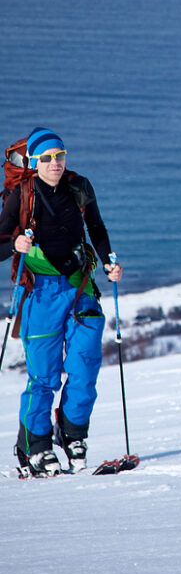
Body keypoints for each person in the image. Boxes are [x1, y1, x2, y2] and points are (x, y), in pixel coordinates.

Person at [0, 128, 122, 477]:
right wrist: (14, 245)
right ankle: (34, 445)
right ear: (34, 162)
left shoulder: (79, 187)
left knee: (86, 365)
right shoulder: (22, 195)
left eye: (60, 156)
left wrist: (109, 262)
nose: (55, 163)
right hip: (40, 293)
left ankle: (73, 434)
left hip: (79, 285)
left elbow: (96, 228)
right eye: (47, 158)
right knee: (44, 376)